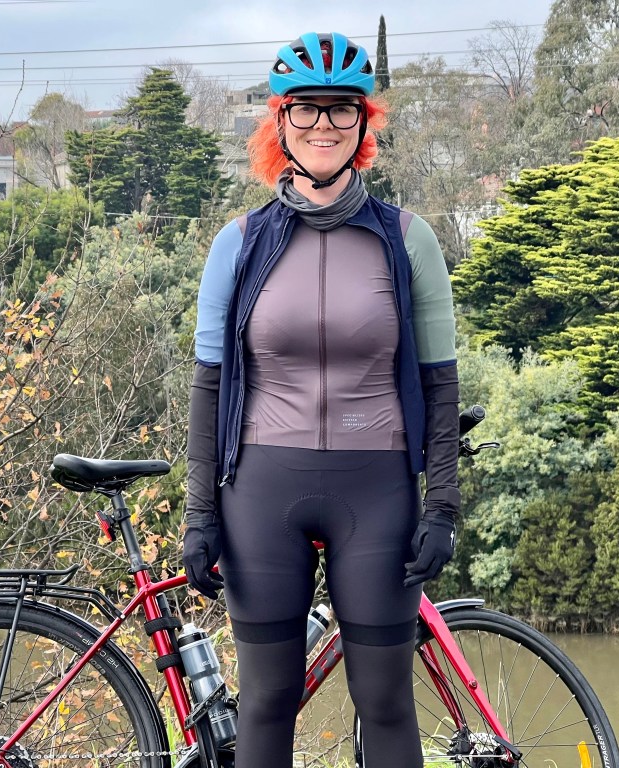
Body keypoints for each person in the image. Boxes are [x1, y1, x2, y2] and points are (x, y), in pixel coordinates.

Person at [182, 31, 460, 768]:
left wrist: (443, 508)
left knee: (387, 703)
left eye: (341, 111)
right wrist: (200, 518)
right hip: (262, 492)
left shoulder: (410, 241)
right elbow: (208, 389)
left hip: (379, 489)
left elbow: (439, 382)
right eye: (307, 111)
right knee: (269, 705)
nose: (323, 127)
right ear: (280, 122)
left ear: (365, 125)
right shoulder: (237, 245)